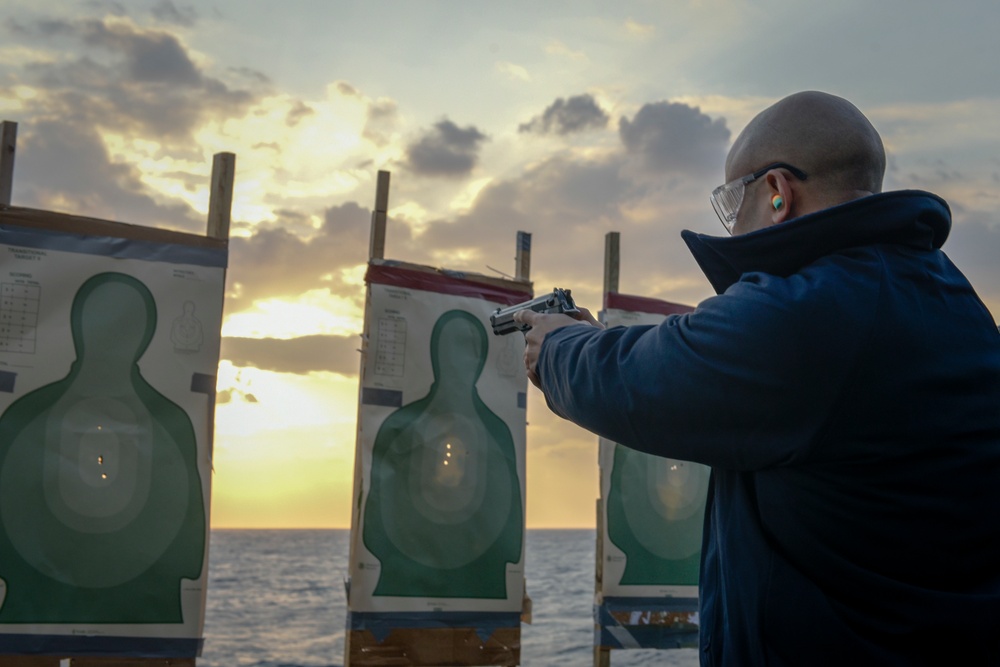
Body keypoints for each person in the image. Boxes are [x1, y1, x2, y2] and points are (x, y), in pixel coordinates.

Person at [514, 91, 1000, 665]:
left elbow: (637, 381)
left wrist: (557, 344)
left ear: (777, 192)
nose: (728, 219)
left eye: (729, 199)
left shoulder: (815, 310)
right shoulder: (943, 294)